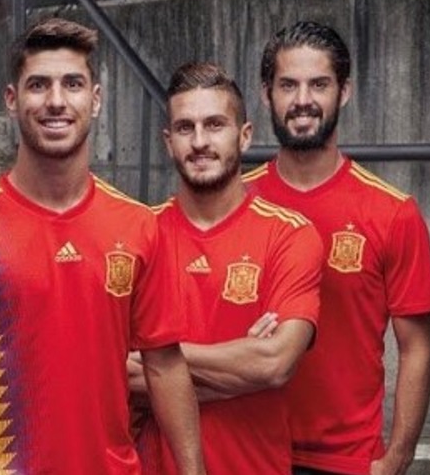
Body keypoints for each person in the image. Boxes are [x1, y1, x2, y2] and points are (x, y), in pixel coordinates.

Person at [0, 17, 203, 475]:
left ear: (95, 99)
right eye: (38, 85)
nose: (56, 101)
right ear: (12, 100)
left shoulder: (139, 226)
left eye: (72, 84)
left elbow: (165, 366)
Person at [244, 21, 430, 475]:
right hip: (246, 452)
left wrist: (396, 459)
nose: (303, 100)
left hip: (347, 460)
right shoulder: (237, 203)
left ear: (344, 92)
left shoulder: (392, 212)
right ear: (266, 94)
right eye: (288, 85)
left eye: (319, 84)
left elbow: (416, 349)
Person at [128, 61, 323, 474]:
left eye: (215, 125)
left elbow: (274, 364)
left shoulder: (289, 235)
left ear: (244, 135)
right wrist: (240, 371)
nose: (200, 141)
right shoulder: (137, 236)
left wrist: (160, 360)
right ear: (168, 141)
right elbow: (114, 377)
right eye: (185, 128)